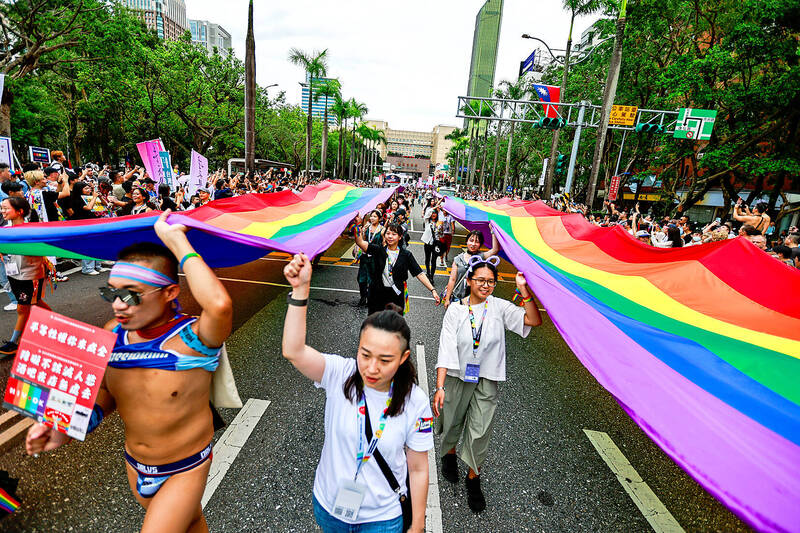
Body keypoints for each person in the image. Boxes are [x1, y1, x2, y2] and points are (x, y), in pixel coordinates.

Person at [26, 210, 233, 533]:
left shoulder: (193, 340)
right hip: (136, 467)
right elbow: (109, 393)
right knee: (191, 525)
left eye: (130, 295)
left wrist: (177, 242)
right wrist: (62, 426)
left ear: (169, 293)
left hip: (185, 468)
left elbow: (219, 305)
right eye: (111, 293)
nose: (118, 305)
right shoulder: (113, 333)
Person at [281, 253, 431, 533]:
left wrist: (418, 524)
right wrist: (300, 290)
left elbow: (419, 468)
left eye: (385, 360)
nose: (372, 368)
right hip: (330, 508)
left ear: (403, 358)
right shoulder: (341, 374)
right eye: (365, 354)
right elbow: (293, 351)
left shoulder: (416, 402)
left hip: (382, 518)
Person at [433, 256, 542, 512]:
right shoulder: (456, 310)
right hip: (457, 375)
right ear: (469, 281)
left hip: (487, 377)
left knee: (480, 429)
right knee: (451, 420)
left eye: (491, 282)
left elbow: (533, 320)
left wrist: (524, 289)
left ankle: (473, 477)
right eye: (481, 280)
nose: (486, 285)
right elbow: (445, 348)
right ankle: (448, 453)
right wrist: (439, 387)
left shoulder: (499, 307)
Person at [353, 219, 440, 315]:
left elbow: (419, 273)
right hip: (377, 294)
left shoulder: (406, 255)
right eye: (388, 233)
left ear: (400, 237)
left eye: (394, 234)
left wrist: (433, 290)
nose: (390, 236)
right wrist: (356, 225)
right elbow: (360, 242)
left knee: (393, 325)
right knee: (376, 324)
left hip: (396, 295)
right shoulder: (378, 250)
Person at [0, 197, 52, 356]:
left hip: (31, 275)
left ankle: (14, 343)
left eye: (5, 208)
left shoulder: (32, 231)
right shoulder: (5, 230)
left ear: (20, 211)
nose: (2, 211)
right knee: (35, 304)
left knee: (23, 308)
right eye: (1, 208)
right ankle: (59, 326)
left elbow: (42, 249)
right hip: (14, 275)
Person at [443, 230, 500, 307]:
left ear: (480, 244)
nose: (473, 244)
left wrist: (493, 231)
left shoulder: (481, 257)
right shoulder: (458, 259)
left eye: (477, 242)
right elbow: (452, 279)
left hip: (474, 299)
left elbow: (495, 250)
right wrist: (447, 299)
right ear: (467, 241)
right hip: (457, 297)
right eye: (471, 240)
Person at [356, 211, 384, 307]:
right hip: (365, 256)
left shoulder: (382, 230)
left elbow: (383, 244)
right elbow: (362, 240)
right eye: (371, 216)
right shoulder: (367, 228)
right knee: (361, 278)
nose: (372, 218)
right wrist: (363, 231)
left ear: (379, 218)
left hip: (375, 258)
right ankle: (363, 297)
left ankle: (370, 298)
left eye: (375, 217)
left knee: (372, 279)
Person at [420, 209, 443, 281]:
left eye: (435, 213)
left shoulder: (439, 223)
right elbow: (427, 213)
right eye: (432, 213)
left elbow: (441, 235)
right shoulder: (427, 221)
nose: (433, 214)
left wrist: (440, 231)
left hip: (435, 244)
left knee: (433, 260)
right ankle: (428, 272)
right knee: (427, 259)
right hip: (427, 243)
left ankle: (431, 277)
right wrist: (435, 207)